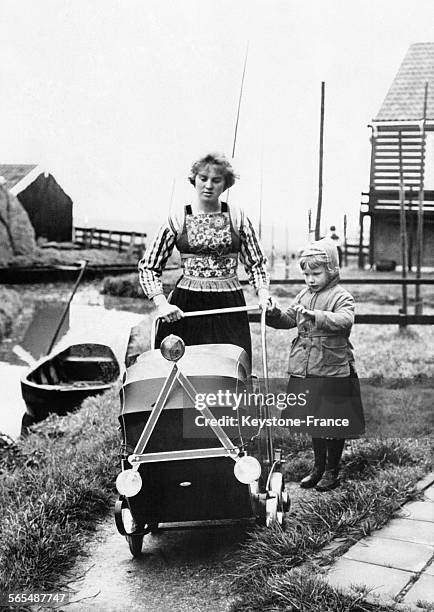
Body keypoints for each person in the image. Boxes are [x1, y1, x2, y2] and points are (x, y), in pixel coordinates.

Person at [138, 152, 270, 364]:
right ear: (194, 180)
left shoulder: (237, 217)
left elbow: (256, 263)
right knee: (179, 367)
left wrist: (263, 294)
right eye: (203, 178)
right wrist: (162, 304)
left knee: (230, 368)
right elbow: (149, 267)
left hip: (228, 305)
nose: (208, 185)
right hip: (186, 305)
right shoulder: (177, 218)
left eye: (216, 180)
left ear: (225, 184)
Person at [266, 238, 364, 491]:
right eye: (306, 274)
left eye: (316, 273)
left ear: (331, 270)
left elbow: (345, 321)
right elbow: (289, 319)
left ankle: (332, 470)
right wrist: (274, 313)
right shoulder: (303, 295)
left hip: (332, 368)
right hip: (306, 370)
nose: (310, 279)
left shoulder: (342, 296)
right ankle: (318, 467)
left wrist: (316, 316)